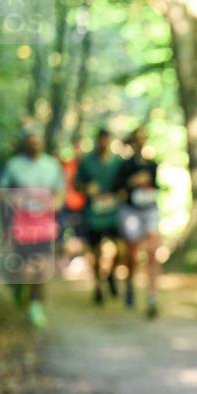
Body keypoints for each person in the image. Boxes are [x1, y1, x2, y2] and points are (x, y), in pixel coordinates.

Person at [0, 130, 65, 328]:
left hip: (44, 224)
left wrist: (54, 204)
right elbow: (2, 192)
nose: (34, 145)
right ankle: (19, 288)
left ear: (42, 143)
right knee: (22, 267)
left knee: (42, 266)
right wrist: (14, 201)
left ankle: (36, 305)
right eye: (30, 141)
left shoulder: (52, 166)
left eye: (37, 141)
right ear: (25, 144)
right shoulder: (14, 165)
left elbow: (61, 191)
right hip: (21, 224)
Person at [114, 126, 161, 319]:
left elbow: (156, 185)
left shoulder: (152, 164)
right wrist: (132, 182)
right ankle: (130, 285)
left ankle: (152, 295)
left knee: (152, 252)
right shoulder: (125, 165)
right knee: (132, 253)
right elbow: (118, 188)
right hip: (131, 211)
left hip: (149, 210)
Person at [75, 128, 123, 305]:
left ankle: (111, 275)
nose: (104, 143)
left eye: (106, 139)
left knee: (119, 248)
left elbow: (123, 182)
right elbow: (77, 184)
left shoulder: (117, 162)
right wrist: (87, 188)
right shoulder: (87, 162)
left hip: (113, 212)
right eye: (101, 139)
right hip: (94, 213)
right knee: (95, 251)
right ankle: (97, 286)